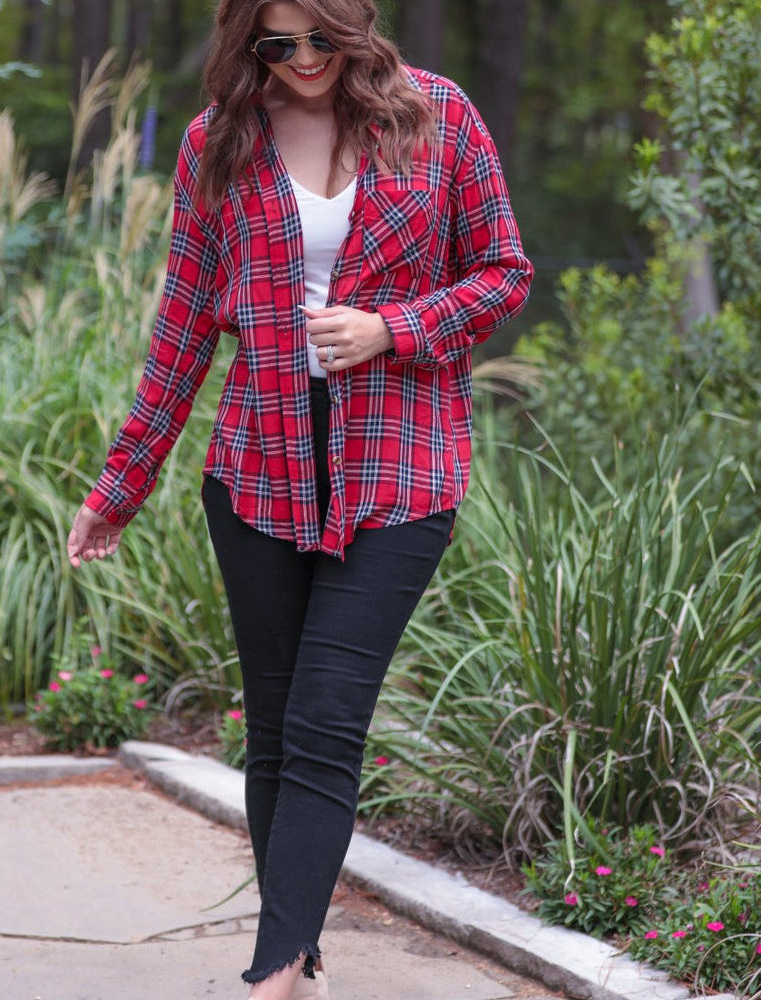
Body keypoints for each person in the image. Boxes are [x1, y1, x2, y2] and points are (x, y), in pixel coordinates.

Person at [67, 0, 533, 996]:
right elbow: (185, 323)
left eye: (322, 37)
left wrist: (393, 328)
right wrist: (122, 483)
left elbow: (503, 275)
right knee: (277, 725)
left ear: (356, 23)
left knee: (325, 717)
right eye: (279, 43)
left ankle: (269, 976)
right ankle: (300, 956)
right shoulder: (218, 140)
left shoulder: (436, 116)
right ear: (248, 40)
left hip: (398, 471)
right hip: (258, 473)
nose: (306, 60)